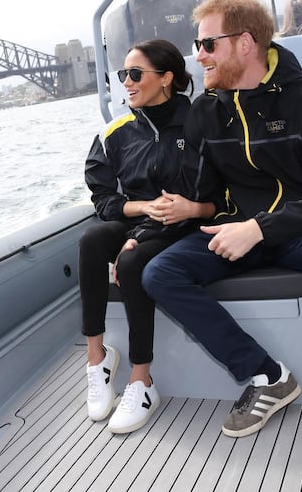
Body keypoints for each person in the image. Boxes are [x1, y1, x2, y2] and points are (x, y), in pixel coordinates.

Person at [142, 0, 302, 475]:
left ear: (245, 43)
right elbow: (198, 195)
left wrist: (258, 228)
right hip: (235, 231)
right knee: (159, 272)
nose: (199, 55)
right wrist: (144, 233)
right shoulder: (206, 111)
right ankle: (266, 374)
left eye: (208, 44)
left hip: (298, 233)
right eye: (197, 45)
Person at [82, 39, 217, 434]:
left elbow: (213, 193)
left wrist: (140, 235)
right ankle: (97, 360)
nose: (127, 82)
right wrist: (141, 212)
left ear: (167, 79)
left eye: (136, 74)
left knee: (132, 259)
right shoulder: (117, 132)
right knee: (92, 241)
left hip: (185, 222)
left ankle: (142, 379)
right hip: (143, 215)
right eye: (123, 74)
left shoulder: (199, 125)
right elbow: (104, 199)